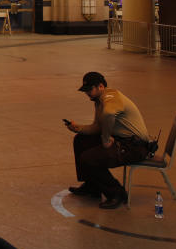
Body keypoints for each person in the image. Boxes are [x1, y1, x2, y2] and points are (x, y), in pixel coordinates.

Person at [64, 71, 151, 209]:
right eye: (85, 91)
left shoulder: (111, 96)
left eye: (89, 90)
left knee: (89, 158)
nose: (87, 94)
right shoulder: (98, 101)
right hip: (123, 142)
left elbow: (109, 114)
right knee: (81, 140)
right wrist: (78, 128)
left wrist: (105, 140)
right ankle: (92, 186)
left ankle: (117, 193)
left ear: (101, 87)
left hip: (135, 147)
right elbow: (97, 127)